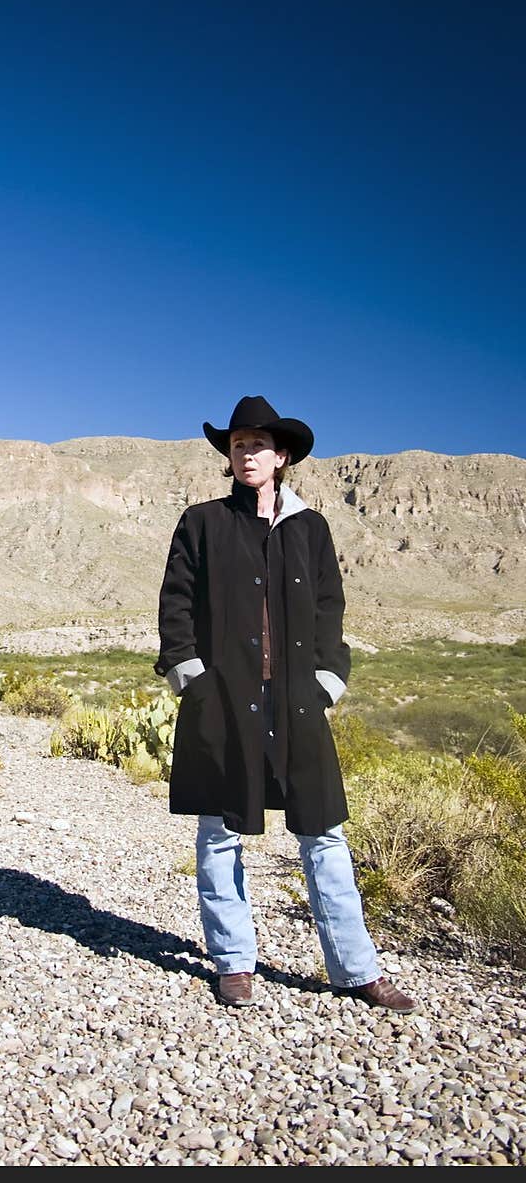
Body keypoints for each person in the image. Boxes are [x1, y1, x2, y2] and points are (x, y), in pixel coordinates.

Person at [154, 395, 417, 1013]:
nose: (246, 453)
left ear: (282, 456)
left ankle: (355, 970)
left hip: (296, 700)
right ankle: (233, 962)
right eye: (237, 443)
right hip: (223, 697)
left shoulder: (310, 527)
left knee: (322, 831)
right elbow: (176, 603)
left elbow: (330, 607)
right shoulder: (203, 522)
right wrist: (190, 676)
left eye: (258, 444)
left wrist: (329, 679)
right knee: (220, 829)